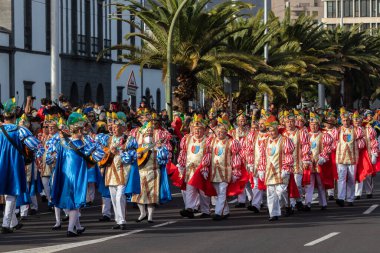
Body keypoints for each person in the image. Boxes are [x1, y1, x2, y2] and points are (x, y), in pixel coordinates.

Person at [47, 112, 105, 237]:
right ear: (79, 130)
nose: (84, 131)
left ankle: (78, 226)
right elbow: (100, 154)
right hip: (76, 176)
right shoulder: (84, 144)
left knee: (71, 200)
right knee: (74, 202)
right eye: (83, 129)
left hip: (64, 176)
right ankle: (70, 229)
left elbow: (49, 158)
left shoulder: (62, 143)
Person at [0, 98, 44, 234]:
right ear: (14, 117)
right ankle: (6, 224)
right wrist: (39, 154)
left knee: (7, 194)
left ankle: (13, 222)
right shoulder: (19, 130)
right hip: (13, 164)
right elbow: (36, 146)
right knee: (12, 193)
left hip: (1, 164)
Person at [102, 112, 139, 230]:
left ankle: (122, 220)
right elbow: (100, 152)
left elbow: (133, 155)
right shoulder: (108, 139)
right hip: (111, 171)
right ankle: (118, 220)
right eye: (112, 126)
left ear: (123, 128)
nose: (113, 128)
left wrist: (120, 152)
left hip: (123, 171)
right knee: (113, 197)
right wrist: (107, 152)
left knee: (119, 196)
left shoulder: (129, 140)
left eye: (116, 126)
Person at [132, 121, 171, 223]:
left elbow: (164, 158)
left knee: (152, 196)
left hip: (154, 173)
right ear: (143, 134)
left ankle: (150, 216)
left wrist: (160, 148)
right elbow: (132, 158)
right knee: (138, 195)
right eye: (147, 133)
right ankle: (142, 213)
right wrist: (137, 155)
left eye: (150, 133)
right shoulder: (138, 147)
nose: (148, 134)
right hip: (141, 173)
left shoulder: (157, 145)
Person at [258, 115, 295, 221]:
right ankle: (273, 213)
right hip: (269, 172)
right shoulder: (265, 142)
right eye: (269, 130)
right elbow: (263, 157)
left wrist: (286, 169)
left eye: (273, 130)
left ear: (277, 130)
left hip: (281, 170)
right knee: (270, 193)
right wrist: (261, 169)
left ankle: (287, 205)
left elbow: (288, 155)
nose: (271, 133)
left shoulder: (285, 140)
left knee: (281, 191)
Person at [177, 114, 211, 218]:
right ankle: (189, 208)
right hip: (190, 169)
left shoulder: (208, 140)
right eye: (195, 129)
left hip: (201, 169)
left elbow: (208, 154)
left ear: (203, 130)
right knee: (190, 189)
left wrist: (205, 167)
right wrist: (181, 165)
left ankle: (206, 210)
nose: (197, 131)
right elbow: (183, 152)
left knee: (202, 191)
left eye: (200, 129)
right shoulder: (187, 139)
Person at [282, 110, 311, 211]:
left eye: (291, 122)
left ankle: (298, 201)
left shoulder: (301, 132)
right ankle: (293, 204)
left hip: (297, 163)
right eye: (287, 122)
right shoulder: (282, 134)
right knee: (287, 185)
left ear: (295, 122)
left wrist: (306, 160)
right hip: (285, 164)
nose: (289, 124)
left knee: (297, 184)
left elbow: (306, 146)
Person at [335, 108, 365, 207]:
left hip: (352, 158)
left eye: (347, 120)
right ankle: (341, 198)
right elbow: (333, 142)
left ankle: (350, 199)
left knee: (351, 179)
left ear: (350, 120)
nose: (346, 122)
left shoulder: (356, 130)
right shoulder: (338, 130)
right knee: (341, 179)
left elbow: (362, 143)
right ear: (341, 120)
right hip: (341, 158)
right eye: (343, 120)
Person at [304, 112, 333, 211]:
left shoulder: (324, 135)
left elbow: (327, 148)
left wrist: (323, 157)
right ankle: (308, 203)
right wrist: (306, 159)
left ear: (318, 125)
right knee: (309, 184)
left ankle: (323, 203)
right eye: (311, 124)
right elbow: (303, 148)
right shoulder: (306, 135)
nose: (313, 126)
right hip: (309, 163)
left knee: (321, 184)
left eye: (315, 124)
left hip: (319, 163)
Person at [245, 111, 269, 213]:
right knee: (256, 185)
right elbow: (249, 149)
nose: (260, 126)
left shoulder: (270, 135)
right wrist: (250, 163)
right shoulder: (254, 135)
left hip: (269, 165)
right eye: (259, 124)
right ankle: (256, 204)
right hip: (256, 164)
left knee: (269, 186)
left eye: (263, 124)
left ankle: (271, 205)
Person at [229, 110, 251, 208]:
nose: (242, 122)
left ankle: (253, 199)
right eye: (240, 121)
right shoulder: (234, 132)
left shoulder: (250, 131)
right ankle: (241, 201)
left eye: (243, 120)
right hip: (238, 159)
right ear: (237, 122)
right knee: (240, 180)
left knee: (249, 180)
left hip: (248, 158)